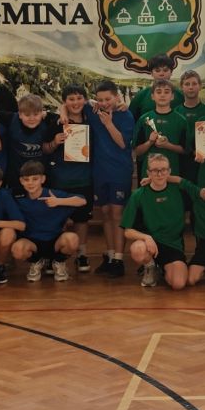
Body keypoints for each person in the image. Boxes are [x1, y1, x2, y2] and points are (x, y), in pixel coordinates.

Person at [85, 82, 136, 277]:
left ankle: (119, 259)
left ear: (117, 97)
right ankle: (110, 255)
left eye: (108, 99)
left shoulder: (125, 114)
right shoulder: (93, 110)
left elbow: (122, 143)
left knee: (117, 213)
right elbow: (71, 102)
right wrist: (92, 103)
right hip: (99, 171)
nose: (104, 103)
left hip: (119, 171)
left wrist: (108, 124)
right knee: (105, 213)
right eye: (100, 99)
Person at [122, 154, 193, 290]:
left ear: (169, 171)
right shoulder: (138, 195)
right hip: (150, 245)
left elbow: (199, 192)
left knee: (178, 284)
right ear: (148, 172)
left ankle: (164, 269)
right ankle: (150, 266)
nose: (159, 174)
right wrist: (146, 237)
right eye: (155, 170)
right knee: (137, 249)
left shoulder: (179, 191)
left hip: (173, 245)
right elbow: (127, 231)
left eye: (163, 170)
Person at [45, 85, 95, 273]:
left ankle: (81, 255)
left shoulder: (91, 119)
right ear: (64, 101)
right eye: (71, 99)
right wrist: (55, 142)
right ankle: (56, 255)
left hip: (83, 178)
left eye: (79, 98)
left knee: (82, 220)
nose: (75, 102)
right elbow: (45, 148)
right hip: (60, 179)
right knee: (60, 220)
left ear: (85, 100)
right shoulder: (56, 122)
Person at [11, 161, 86, 283]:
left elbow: (82, 200)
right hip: (32, 243)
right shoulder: (18, 197)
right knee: (18, 249)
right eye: (26, 179)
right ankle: (36, 262)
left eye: (35, 179)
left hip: (55, 241)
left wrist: (59, 202)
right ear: (21, 181)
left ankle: (59, 262)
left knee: (72, 239)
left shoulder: (53, 194)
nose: (30, 183)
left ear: (43, 179)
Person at [132, 78, 188, 178]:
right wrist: (150, 142)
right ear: (152, 96)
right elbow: (137, 151)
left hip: (172, 174)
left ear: (172, 96)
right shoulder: (144, 119)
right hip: (149, 176)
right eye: (158, 92)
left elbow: (186, 150)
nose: (162, 95)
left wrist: (168, 145)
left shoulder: (181, 121)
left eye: (166, 92)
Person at [3, 94, 57, 194]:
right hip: (16, 176)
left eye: (36, 114)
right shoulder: (11, 119)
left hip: (41, 177)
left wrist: (50, 113)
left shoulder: (49, 120)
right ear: (20, 114)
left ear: (42, 113)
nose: (32, 118)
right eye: (27, 115)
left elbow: (66, 118)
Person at [129, 54, 184, 119]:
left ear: (171, 72)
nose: (161, 74)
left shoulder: (181, 95)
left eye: (165, 70)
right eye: (157, 71)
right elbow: (131, 120)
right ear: (151, 73)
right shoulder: (141, 96)